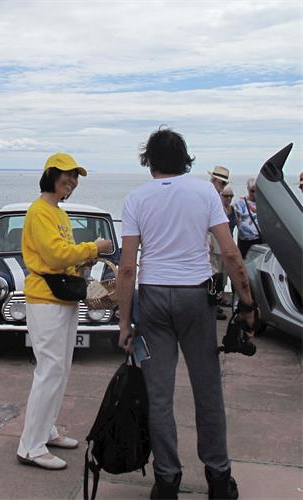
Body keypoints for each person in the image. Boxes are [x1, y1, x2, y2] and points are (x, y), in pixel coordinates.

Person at [116, 128, 257, 500]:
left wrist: (124, 322)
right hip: (197, 298)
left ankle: (167, 481)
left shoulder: (136, 199)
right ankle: (219, 477)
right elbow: (230, 254)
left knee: (158, 394)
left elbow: (127, 267)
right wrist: (246, 304)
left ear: (149, 162)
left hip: (153, 299)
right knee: (207, 390)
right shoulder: (204, 192)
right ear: (185, 160)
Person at [17, 153, 112, 470]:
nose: (72, 182)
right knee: (49, 370)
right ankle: (30, 446)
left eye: (76, 177)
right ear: (51, 176)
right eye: (67, 175)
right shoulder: (39, 211)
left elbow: (64, 257)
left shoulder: (58, 213)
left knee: (60, 368)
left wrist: (84, 259)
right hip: (45, 300)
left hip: (62, 299)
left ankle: (47, 431)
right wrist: (93, 248)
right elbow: (56, 255)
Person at [207, 166, 230, 320]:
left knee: (219, 274)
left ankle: (216, 303)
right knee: (213, 274)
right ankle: (212, 305)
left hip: (218, 243)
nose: (222, 187)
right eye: (221, 183)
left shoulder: (215, 196)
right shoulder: (210, 196)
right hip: (212, 242)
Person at [234, 177, 261, 259]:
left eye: (257, 191)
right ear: (248, 189)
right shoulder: (240, 202)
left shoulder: (262, 203)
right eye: (252, 191)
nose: (254, 194)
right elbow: (235, 219)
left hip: (258, 239)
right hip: (244, 239)